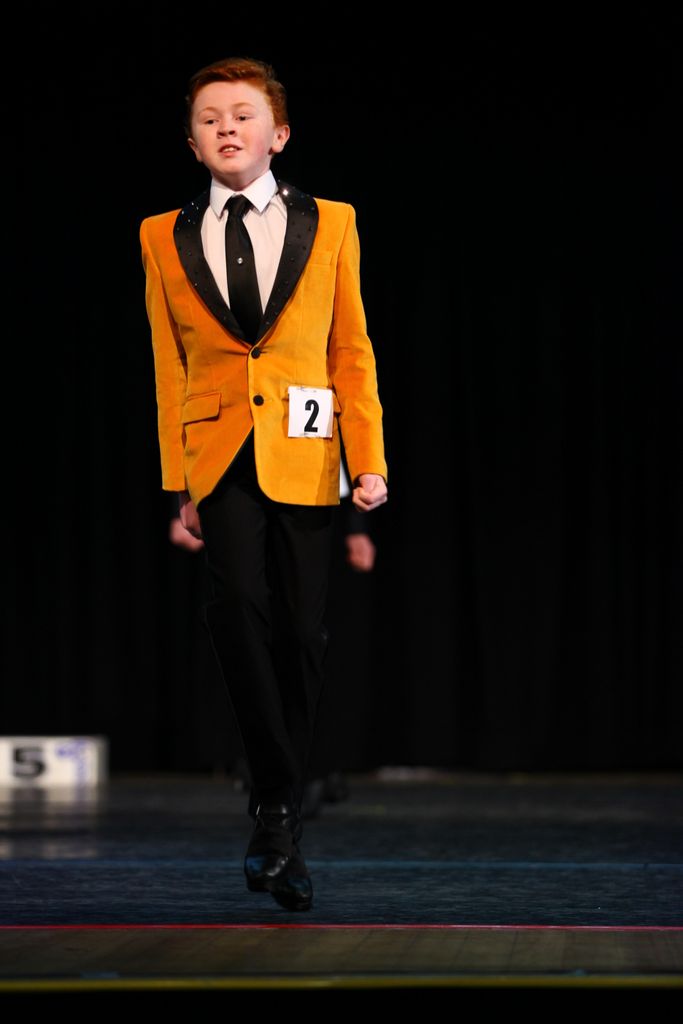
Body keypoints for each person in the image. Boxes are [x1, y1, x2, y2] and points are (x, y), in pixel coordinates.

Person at [140, 57, 387, 911]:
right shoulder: (160, 234)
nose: (226, 127)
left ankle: (278, 806)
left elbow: (350, 349)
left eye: (242, 114)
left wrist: (368, 458)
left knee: (301, 632)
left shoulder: (332, 222)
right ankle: (277, 807)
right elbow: (168, 363)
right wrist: (178, 480)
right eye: (209, 117)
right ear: (191, 141)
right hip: (218, 451)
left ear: (277, 134)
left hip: (307, 449)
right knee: (234, 607)